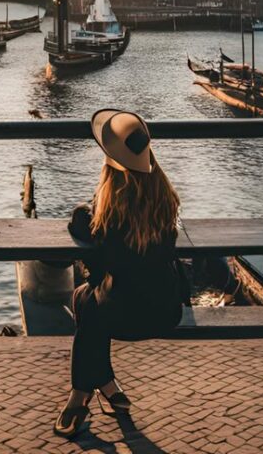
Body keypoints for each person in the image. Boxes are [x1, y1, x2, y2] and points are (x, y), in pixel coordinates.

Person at [54, 109, 188, 439]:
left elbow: (96, 266)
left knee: (85, 302)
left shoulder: (104, 218)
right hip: (167, 311)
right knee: (90, 300)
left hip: (124, 318)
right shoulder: (166, 205)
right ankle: (107, 388)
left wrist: (84, 214)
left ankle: (82, 394)